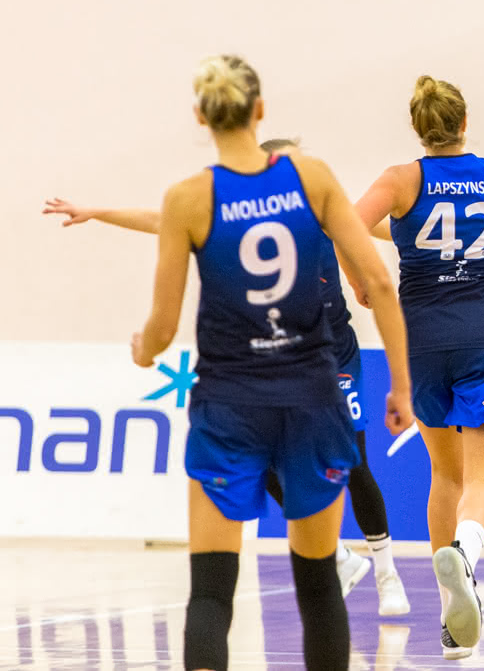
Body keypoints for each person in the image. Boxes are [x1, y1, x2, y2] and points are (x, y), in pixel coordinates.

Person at [129, 55, 413, 671]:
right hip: (314, 400)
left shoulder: (188, 198)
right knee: (318, 588)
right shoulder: (311, 179)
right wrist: (403, 387)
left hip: (229, 406)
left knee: (211, 592)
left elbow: (164, 323)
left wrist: (144, 350)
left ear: (201, 116)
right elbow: (380, 285)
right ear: (260, 111)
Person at [45, 141, 411, 617]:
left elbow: (393, 226)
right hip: (277, 363)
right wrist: (98, 211)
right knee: (270, 463)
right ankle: (341, 559)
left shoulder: (323, 209)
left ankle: (387, 574)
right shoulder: (240, 220)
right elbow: (161, 221)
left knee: (354, 463)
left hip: (331, 355)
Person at [350, 75, 484, 660]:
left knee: (447, 476)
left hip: (422, 344)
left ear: (419, 129)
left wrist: (366, 281)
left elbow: (340, 224)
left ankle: (452, 623)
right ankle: (465, 558)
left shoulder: (401, 180)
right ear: (465, 123)